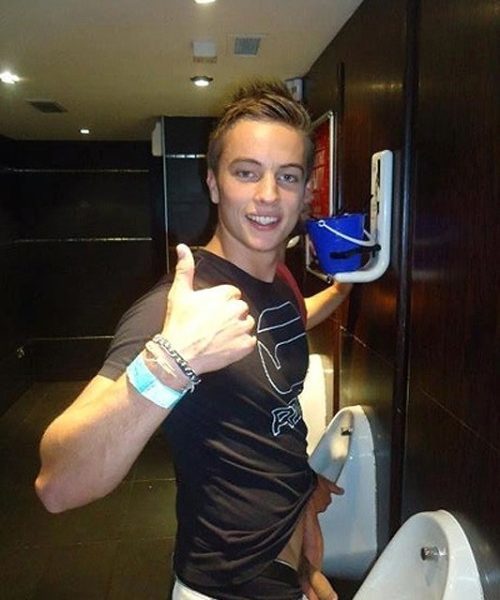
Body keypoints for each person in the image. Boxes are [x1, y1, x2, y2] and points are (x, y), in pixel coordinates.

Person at [35, 81, 349, 600]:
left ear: (305, 192)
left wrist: (343, 288)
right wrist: (171, 363)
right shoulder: (176, 309)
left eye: (287, 176)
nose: (268, 195)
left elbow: (288, 328)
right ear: (213, 183)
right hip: (224, 585)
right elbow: (57, 486)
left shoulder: (280, 281)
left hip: (288, 562)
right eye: (246, 172)